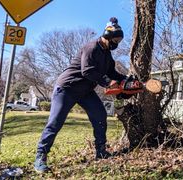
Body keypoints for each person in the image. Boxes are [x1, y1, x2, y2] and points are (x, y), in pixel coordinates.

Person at [34, 17, 127, 173]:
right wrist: (107, 82)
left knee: (100, 115)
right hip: (67, 88)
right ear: (108, 36)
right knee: (55, 122)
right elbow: (87, 70)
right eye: (115, 40)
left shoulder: (107, 56)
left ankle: (101, 151)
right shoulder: (91, 48)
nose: (116, 43)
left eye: (119, 40)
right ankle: (40, 156)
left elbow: (112, 72)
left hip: (85, 91)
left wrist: (126, 79)